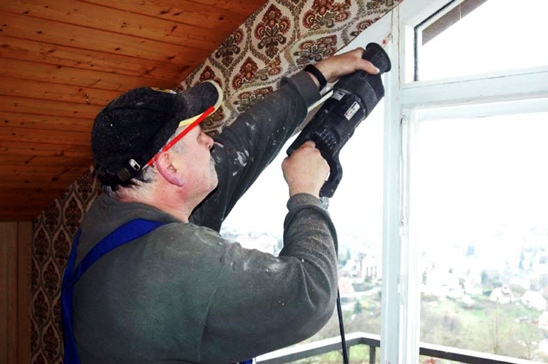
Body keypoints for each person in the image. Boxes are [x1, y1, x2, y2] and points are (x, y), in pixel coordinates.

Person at [62, 48, 380, 364]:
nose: (210, 141)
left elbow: (243, 144)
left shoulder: (113, 215)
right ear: (170, 167)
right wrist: (306, 192)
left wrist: (319, 74)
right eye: (199, 134)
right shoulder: (174, 258)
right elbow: (311, 295)